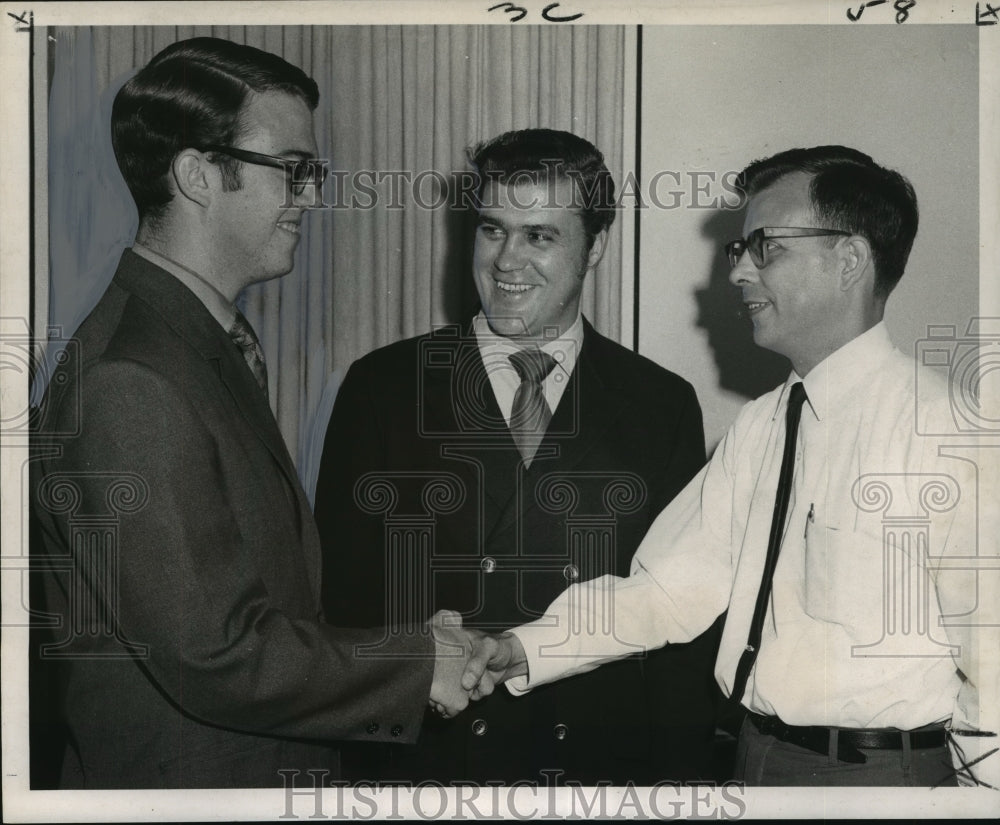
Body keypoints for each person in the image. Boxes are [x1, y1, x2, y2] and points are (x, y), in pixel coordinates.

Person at [30, 36, 486, 790]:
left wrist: (406, 643)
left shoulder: (189, 342)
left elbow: (259, 598)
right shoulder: (130, 379)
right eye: (295, 171)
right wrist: (415, 664)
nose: (310, 196)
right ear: (197, 175)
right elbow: (217, 653)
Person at [468, 145, 991, 787]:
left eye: (765, 247)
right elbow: (667, 592)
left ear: (850, 260)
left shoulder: (951, 430)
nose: (739, 273)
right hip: (752, 763)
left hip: (885, 778)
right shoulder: (761, 426)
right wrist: (517, 650)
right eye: (738, 251)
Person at [313, 128, 720, 785]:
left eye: (540, 236)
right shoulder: (385, 385)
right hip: (428, 767)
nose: (506, 261)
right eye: (492, 229)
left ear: (596, 246)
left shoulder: (660, 404)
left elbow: (680, 633)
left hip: (593, 776)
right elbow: (341, 606)